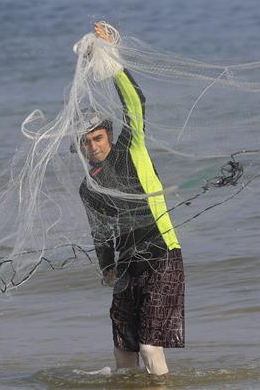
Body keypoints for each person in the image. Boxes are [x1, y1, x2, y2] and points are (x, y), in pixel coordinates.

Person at [78, 22, 184, 378]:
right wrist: (106, 265)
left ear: (108, 135)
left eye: (98, 137)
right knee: (123, 348)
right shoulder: (88, 186)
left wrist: (111, 59)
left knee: (149, 346)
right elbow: (100, 230)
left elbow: (136, 102)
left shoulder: (131, 147)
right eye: (87, 141)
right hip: (126, 266)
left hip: (161, 254)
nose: (94, 146)